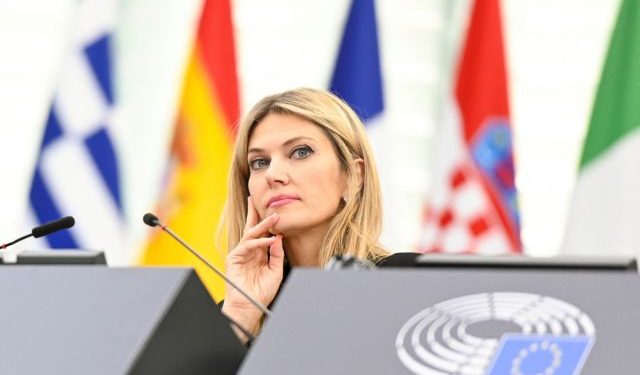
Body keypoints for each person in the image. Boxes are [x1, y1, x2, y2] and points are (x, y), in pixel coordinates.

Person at [220, 88, 394, 342]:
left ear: (354, 176)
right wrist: (241, 313)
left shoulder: (408, 283)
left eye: (301, 152)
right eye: (259, 162)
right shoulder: (228, 315)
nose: (273, 174)